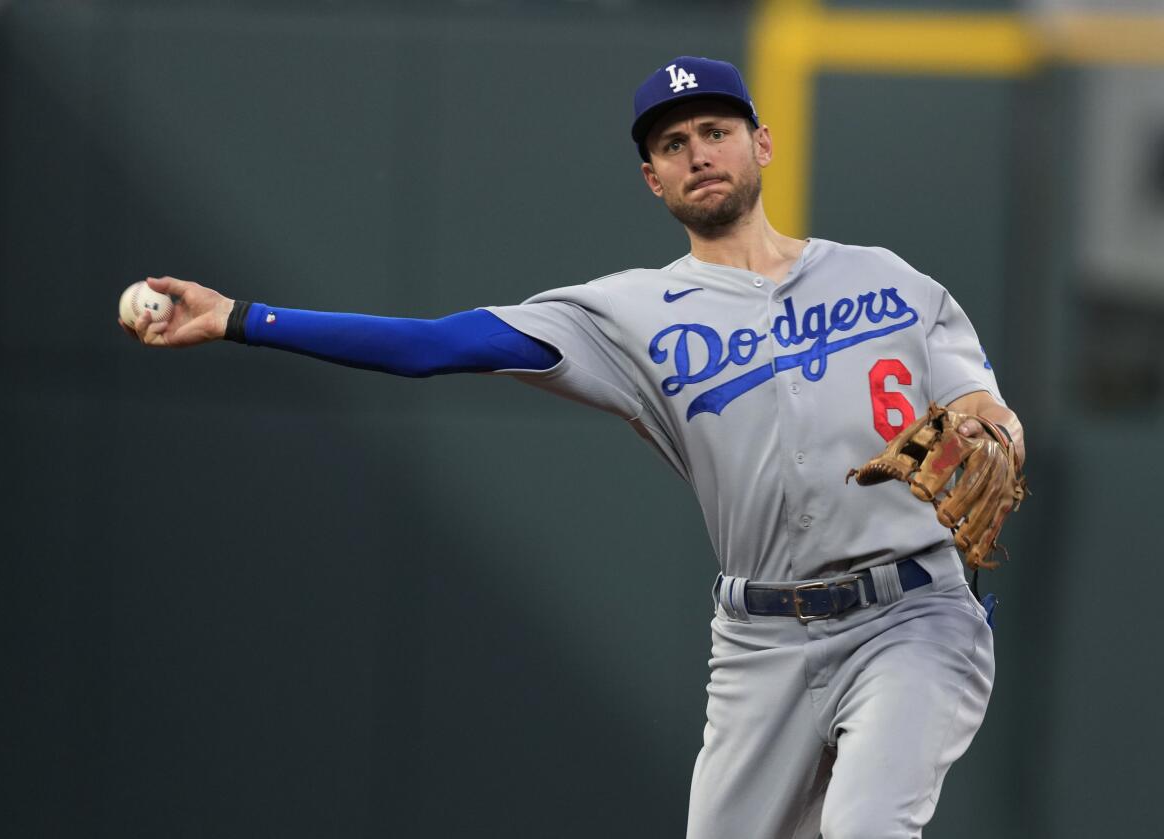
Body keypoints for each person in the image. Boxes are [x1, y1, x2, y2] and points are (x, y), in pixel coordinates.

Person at [122, 56, 1024, 839]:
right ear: (652, 180)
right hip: (762, 640)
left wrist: (995, 429)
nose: (698, 152)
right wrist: (246, 319)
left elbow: (985, 407)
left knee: (868, 824)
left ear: (763, 144)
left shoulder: (890, 280)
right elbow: (440, 344)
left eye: (715, 129)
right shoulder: (624, 314)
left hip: (913, 615)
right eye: (673, 145)